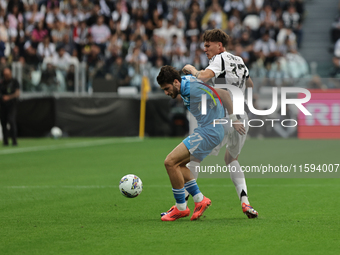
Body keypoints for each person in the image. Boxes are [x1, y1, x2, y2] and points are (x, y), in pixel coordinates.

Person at [182, 28, 258, 218]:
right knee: (231, 159)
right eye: (204, 46)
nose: (205, 49)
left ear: (220, 46)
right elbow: (250, 85)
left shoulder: (219, 59)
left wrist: (191, 69)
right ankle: (245, 202)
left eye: (208, 46)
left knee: (193, 158)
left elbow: (203, 76)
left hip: (223, 118)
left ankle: (182, 205)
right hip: (241, 117)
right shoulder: (239, 60)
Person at [157, 65, 238, 221]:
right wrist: (193, 70)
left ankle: (181, 208)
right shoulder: (185, 83)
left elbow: (225, 94)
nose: (166, 93)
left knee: (170, 162)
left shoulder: (192, 89)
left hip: (209, 131)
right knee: (178, 165)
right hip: (209, 130)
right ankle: (200, 200)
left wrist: (234, 120)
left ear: (175, 82)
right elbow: (199, 79)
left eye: (167, 88)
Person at [0, 68, 20, 146]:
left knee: (11, 121)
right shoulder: (2, 83)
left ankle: (14, 140)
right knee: (3, 122)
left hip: (12, 105)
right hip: (3, 105)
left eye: (7, 74)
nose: (6, 76)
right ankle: (5, 141)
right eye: (5, 75)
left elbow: (17, 93)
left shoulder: (14, 82)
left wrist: (8, 97)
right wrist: (2, 97)